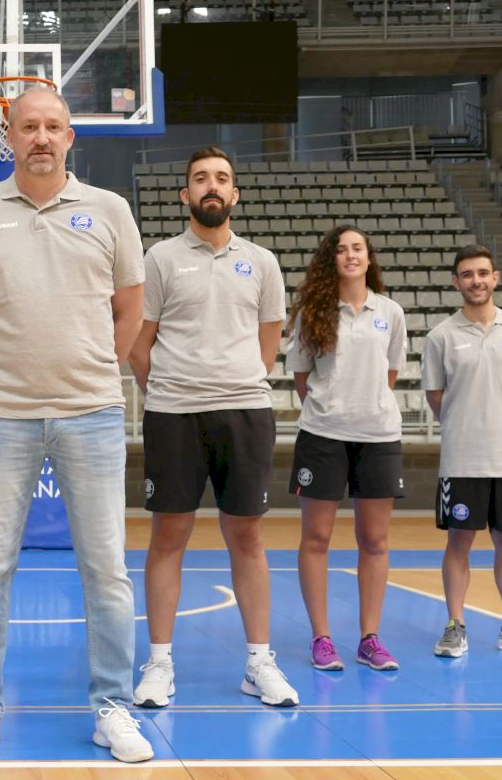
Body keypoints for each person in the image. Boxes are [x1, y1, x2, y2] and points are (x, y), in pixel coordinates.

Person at [0, 86, 152, 763]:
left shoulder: (110, 210)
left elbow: (130, 308)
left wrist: (94, 369)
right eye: (27, 126)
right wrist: (3, 369)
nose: (40, 137)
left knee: (107, 569)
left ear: (69, 137)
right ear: (8, 135)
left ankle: (113, 708)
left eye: (52, 126)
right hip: (0, 414)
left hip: (92, 413)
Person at [129, 146, 298, 709]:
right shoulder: (160, 258)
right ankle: (159, 663)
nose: (212, 186)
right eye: (201, 178)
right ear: (186, 194)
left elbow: (268, 345)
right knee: (168, 537)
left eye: (222, 178)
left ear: (235, 194)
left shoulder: (263, 263)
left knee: (247, 537)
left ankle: (259, 663)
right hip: (174, 414)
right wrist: (171, 389)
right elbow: (139, 344)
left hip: (244, 412)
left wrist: (235, 381)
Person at [423, 244, 502, 659]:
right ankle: (455, 626)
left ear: (495, 278)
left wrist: (501, 423)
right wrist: (466, 424)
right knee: (459, 542)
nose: (475, 280)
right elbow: (435, 396)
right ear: (455, 282)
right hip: (462, 457)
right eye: (467, 274)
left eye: (482, 273)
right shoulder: (440, 336)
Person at [285, 225, 407, 672]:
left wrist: (363, 407)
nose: (351, 255)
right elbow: (302, 379)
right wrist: (333, 409)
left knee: (374, 541)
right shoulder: (312, 313)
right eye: (341, 250)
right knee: (316, 539)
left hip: (378, 437)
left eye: (358, 248)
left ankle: (370, 638)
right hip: (322, 436)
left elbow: (389, 374)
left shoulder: (390, 312)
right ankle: (321, 638)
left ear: (369, 257)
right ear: (331, 260)